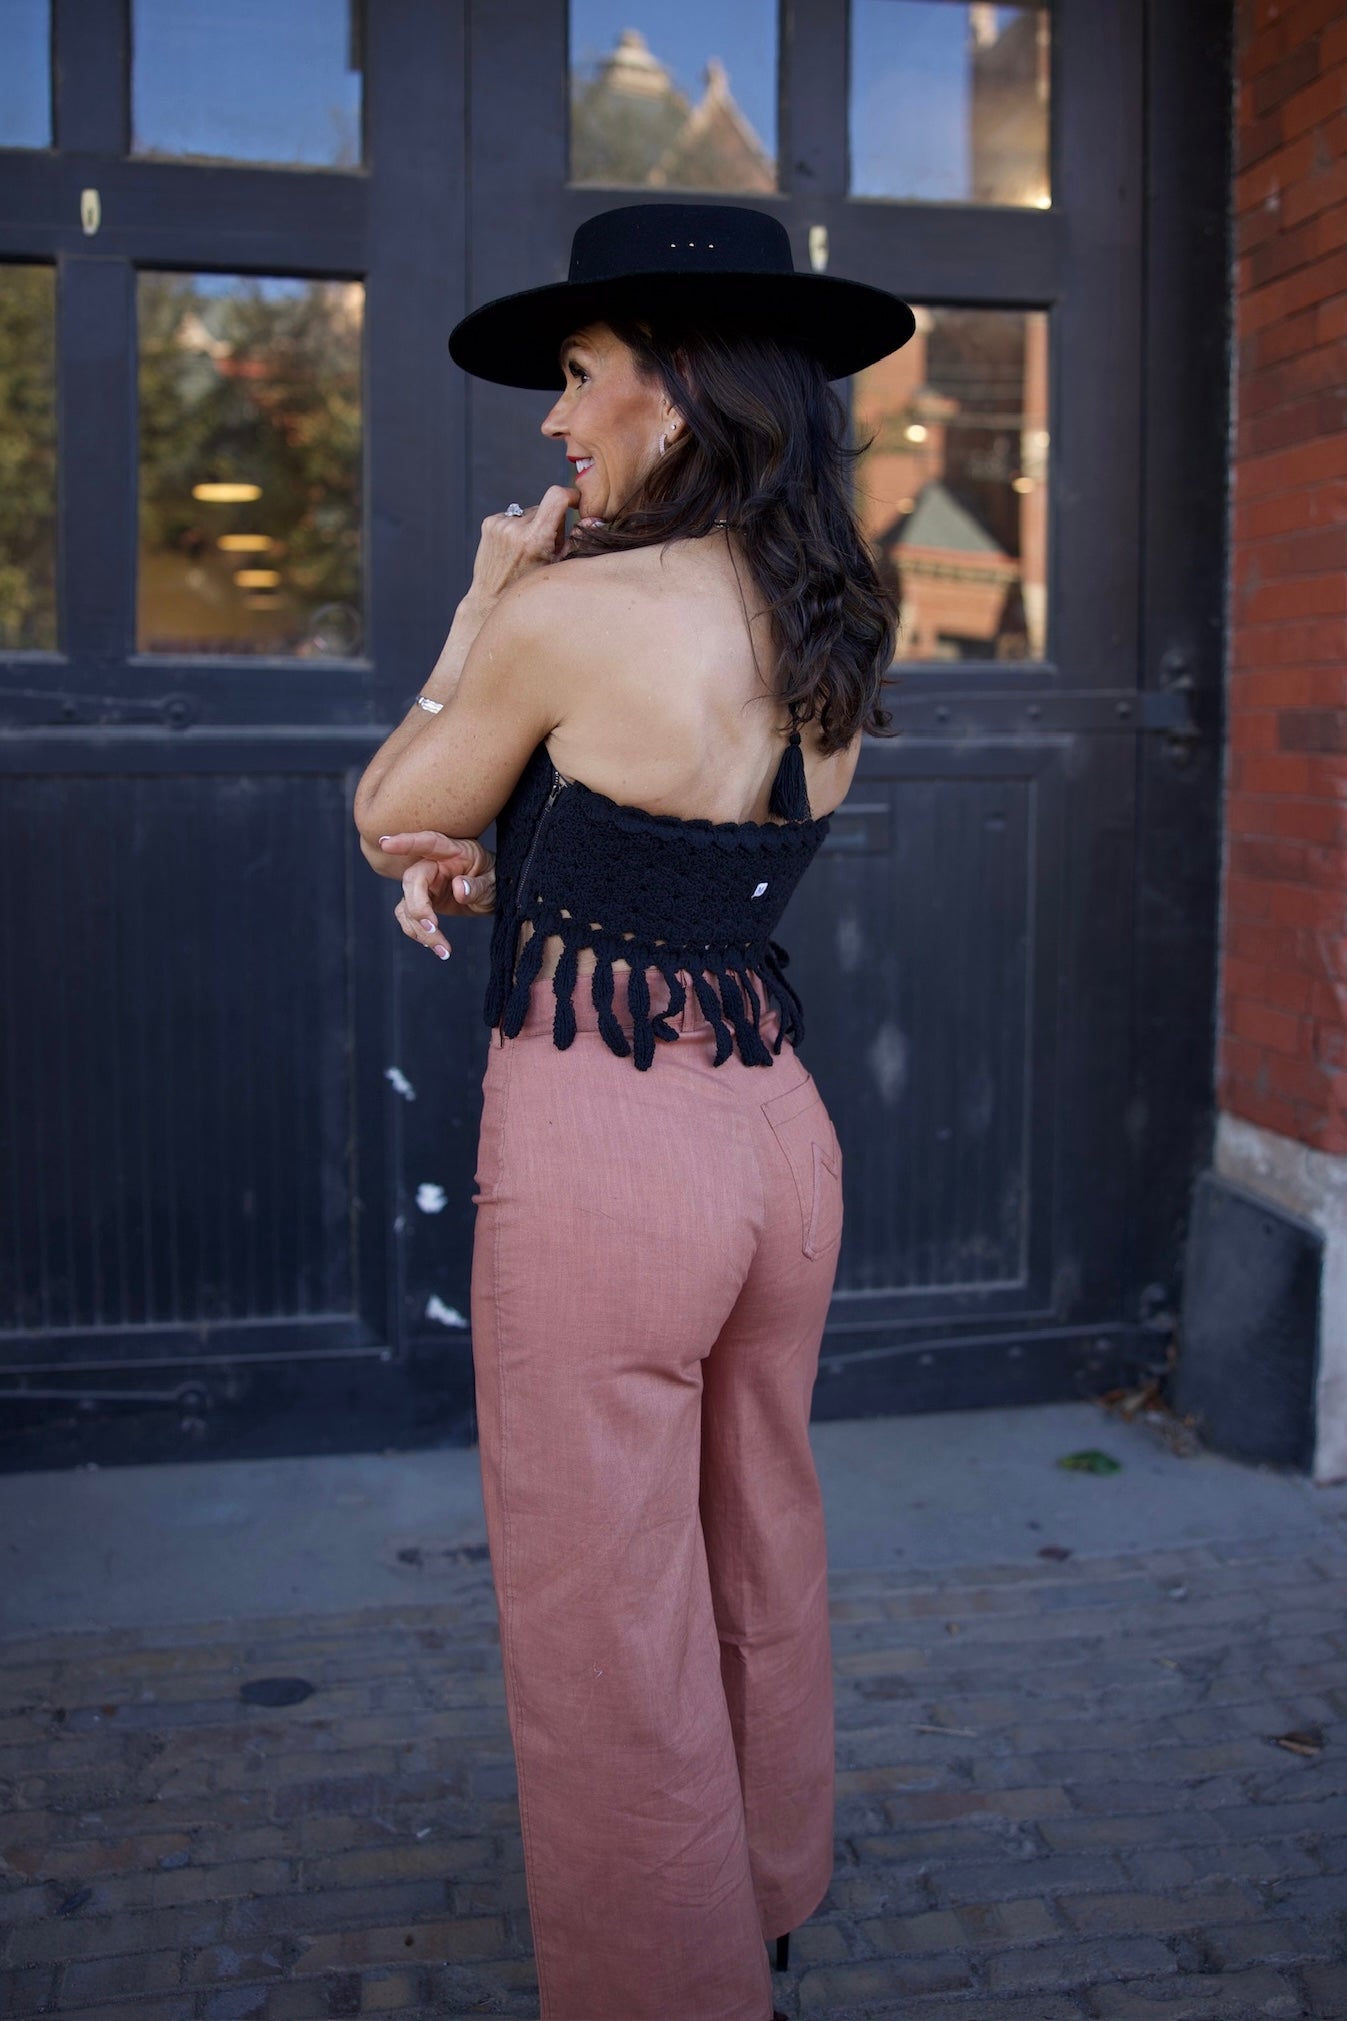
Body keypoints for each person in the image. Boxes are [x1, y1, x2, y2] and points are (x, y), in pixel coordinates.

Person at [353, 202, 914, 2021]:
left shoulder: (575, 613)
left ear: (672, 394)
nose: (553, 420)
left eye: (579, 378)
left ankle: (663, 1991)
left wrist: (485, 608)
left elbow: (391, 798)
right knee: (762, 1528)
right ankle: (761, 1892)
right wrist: (500, 870)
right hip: (778, 1139)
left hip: (608, 1151)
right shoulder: (843, 608)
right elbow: (655, 851)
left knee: (608, 1616)